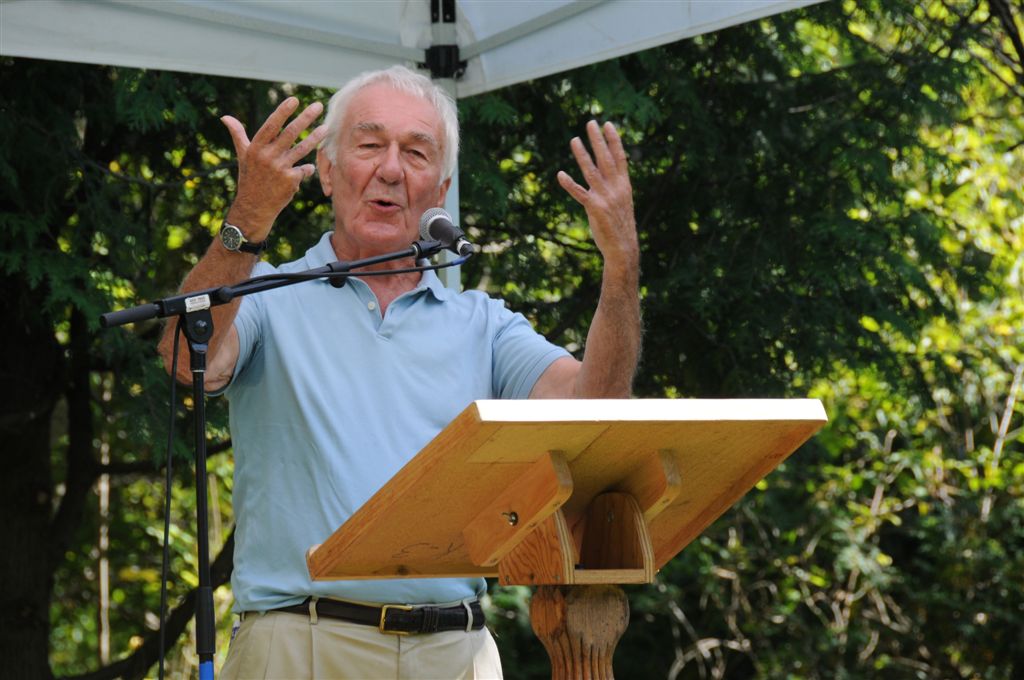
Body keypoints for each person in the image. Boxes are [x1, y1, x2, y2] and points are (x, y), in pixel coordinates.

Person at [159, 65, 640, 679]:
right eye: (369, 144)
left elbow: (592, 410)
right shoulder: (267, 296)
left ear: (439, 191)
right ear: (327, 173)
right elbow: (183, 355)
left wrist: (621, 266)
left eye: (416, 153)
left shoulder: (482, 324)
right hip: (300, 646)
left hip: (456, 652)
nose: (391, 169)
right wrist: (247, 219)